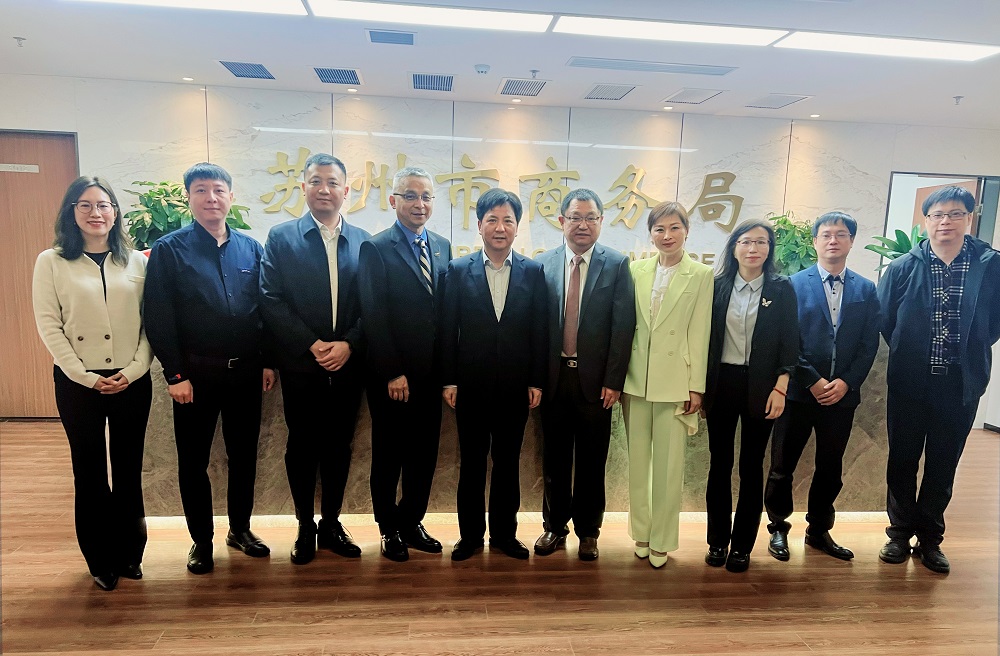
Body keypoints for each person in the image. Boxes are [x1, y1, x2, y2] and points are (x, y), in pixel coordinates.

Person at [144, 162, 275, 575]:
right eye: (201, 190)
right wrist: (175, 374)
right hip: (194, 378)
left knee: (243, 456)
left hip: (246, 374)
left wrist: (268, 360)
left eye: (218, 190)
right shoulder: (169, 249)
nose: (211, 198)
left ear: (231, 197)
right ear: (189, 198)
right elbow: (158, 315)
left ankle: (240, 529)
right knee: (193, 461)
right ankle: (201, 540)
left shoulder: (251, 249)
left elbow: (265, 310)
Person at [32, 176, 153, 591]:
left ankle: (130, 552)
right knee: (88, 470)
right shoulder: (51, 261)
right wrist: (82, 376)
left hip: (130, 379)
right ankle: (99, 558)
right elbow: (49, 325)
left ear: (115, 213)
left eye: (103, 205)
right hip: (77, 382)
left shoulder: (136, 261)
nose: (95, 213)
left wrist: (134, 370)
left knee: (128, 468)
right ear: (72, 212)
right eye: (84, 205)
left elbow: (150, 325)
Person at [878, 185, 1000, 574]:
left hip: (960, 384)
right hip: (910, 382)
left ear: (969, 218)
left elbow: (994, 322)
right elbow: (886, 321)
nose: (946, 221)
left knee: (944, 463)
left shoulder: (991, 266)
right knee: (902, 459)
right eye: (938, 214)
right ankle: (899, 534)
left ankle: (930, 539)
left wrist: (971, 348)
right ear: (926, 220)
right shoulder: (902, 267)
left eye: (955, 213)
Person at [260, 153, 371, 565]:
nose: (324, 189)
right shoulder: (281, 237)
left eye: (333, 182)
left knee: (340, 446)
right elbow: (270, 298)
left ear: (346, 190)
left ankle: (332, 524)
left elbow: (374, 304)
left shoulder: (363, 241)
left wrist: (349, 344)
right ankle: (305, 525)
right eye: (316, 181)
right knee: (302, 446)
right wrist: (311, 344)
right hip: (301, 365)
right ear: (303, 187)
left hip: (348, 366)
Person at [764, 212, 879, 563]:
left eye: (841, 234)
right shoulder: (792, 285)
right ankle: (778, 528)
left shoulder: (865, 289)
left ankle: (818, 530)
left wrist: (847, 382)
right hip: (799, 394)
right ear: (815, 241)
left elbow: (868, 344)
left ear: (851, 241)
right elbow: (786, 341)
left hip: (841, 398)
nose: (833, 240)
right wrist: (812, 379)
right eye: (826, 234)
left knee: (830, 468)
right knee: (782, 466)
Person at [441, 188, 547, 562]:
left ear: (517, 227)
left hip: (515, 387)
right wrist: (449, 379)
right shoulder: (458, 270)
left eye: (507, 220)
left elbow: (539, 330)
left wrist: (536, 380)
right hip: (470, 386)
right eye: (492, 220)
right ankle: (469, 537)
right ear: (479, 225)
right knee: (471, 464)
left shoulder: (533, 271)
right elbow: (447, 329)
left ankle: (504, 535)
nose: (500, 228)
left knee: (507, 463)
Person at [533, 189, 634, 561]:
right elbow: (535, 328)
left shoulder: (617, 264)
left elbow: (623, 327)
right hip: (554, 379)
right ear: (562, 221)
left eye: (591, 217)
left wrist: (614, 380)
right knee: (554, 459)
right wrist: (534, 379)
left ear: (601, 222)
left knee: (592, 462)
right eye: (575, 217)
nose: (583, 224)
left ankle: (589, 532)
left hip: (596, 383)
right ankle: (554, 527)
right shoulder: (542, 264)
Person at [358, 166, 452, 562]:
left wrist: (448, 375)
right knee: (389, 454)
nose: (419, 204)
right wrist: (392, 371)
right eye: (410, 196)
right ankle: (388, 528)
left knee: (424, 455)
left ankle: (412, 521)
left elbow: (445, 315)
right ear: (393, 200)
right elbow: (373, 314)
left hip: (431, 376)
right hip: (392, 377)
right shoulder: (376, 248)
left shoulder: (443, 246)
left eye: (426, 196)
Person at [703, 219, 799, 573]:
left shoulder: (782, 289)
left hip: (763, 386)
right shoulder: (716, 286)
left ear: (769, 249)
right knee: (719, 463)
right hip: (722, 384)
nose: (753, 249)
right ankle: (717, 541)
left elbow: (791, 342)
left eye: (761, 242)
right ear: (734, 248)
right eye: (746, 241)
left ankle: (742, 546)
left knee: (751, 466)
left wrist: (781, 387)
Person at [622, 202, 713, 568]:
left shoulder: (701, 275)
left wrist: (696, 387)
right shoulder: (636, 270)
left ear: (686, 231)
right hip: (636, 380)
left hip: (676, 382)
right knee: (638, 466)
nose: (667, 235)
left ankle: (662, 538)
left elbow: (700, 332)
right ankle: (642, 533)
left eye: (675, 228)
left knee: (668, 467)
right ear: (650, 234)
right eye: (659, 229)